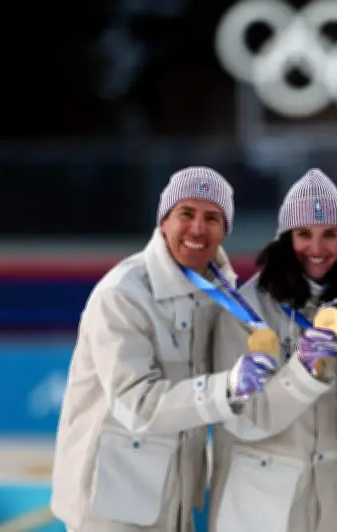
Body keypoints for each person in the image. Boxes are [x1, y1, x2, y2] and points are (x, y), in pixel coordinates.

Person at [51, 167, 261, 531]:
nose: (197, 228)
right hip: (110, 506)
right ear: (163, 221)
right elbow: (138, 404)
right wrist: (228, 387)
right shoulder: (122, 293)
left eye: (212, 218)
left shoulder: (222, 295)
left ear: (225, 231)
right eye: (186, 214)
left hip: (172, 500)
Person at [209, 169, 337, 532]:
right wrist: (302, 370)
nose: (316, 249)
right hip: (264, 505)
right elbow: (239, 419)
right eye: (304, 234)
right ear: (285, 239)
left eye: (329, 234)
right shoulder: (245, 309)